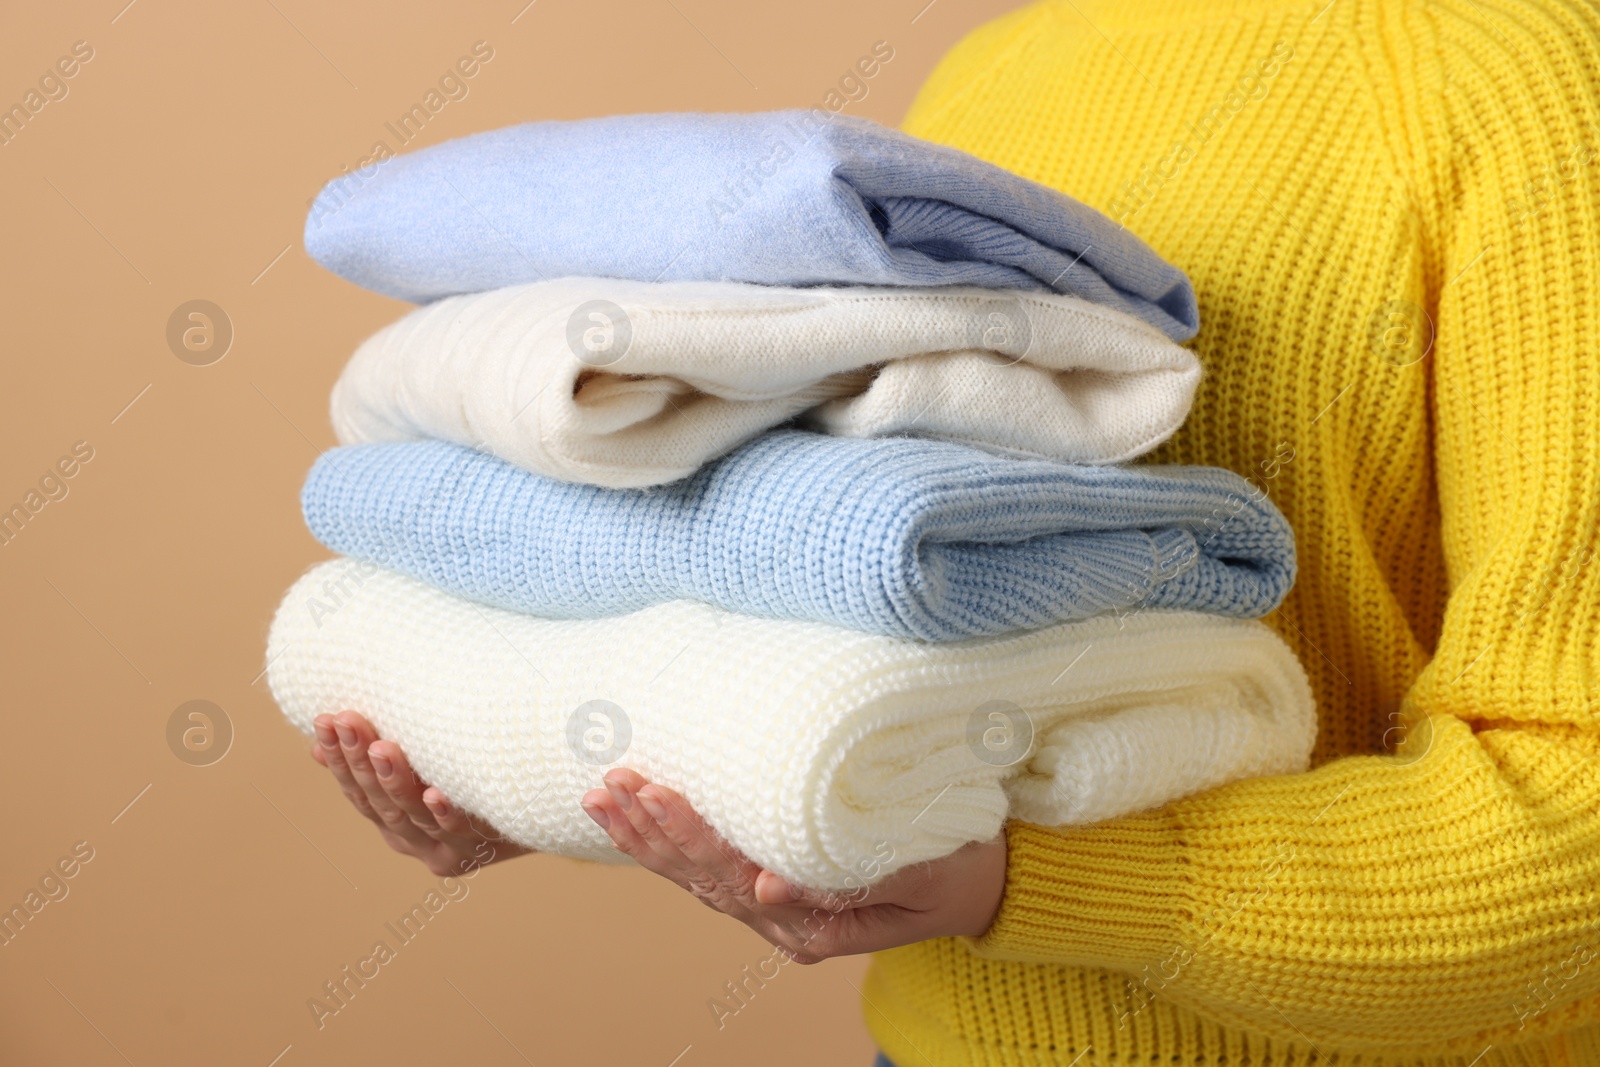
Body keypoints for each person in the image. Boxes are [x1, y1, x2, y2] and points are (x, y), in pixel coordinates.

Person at [307, 0, 1600, 1061]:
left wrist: (1026, 883)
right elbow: (825, 584)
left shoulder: (1525, 75)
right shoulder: (989, 80)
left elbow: (1577, 808)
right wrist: (527, 752)